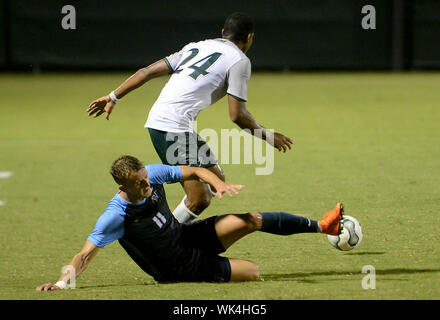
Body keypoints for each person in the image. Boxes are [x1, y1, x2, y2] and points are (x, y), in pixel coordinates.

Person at [86, 12, 293, 223]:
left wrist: (113, 97)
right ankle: (163, 239)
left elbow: (146, 72)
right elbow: (237, 115)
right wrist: (267, 135)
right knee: (200, 198)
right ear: (249, 38)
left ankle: (167, 232)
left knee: (216, 181)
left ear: (223, 33)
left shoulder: (196, 47)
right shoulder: (240, 61)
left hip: (167, 121)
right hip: (171, 126)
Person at [36, 155, 343, 290]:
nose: (147, 186)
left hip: (186, 237)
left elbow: (195, 171)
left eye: (146, 178)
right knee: (254, 272)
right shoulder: (116, 216)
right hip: (178, 269)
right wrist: (62, 283)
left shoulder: (151, 174)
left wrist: (218, 185)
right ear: (122, 188)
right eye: (139, 184)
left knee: (251, 219)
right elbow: (85, 254)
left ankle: (322, 225)